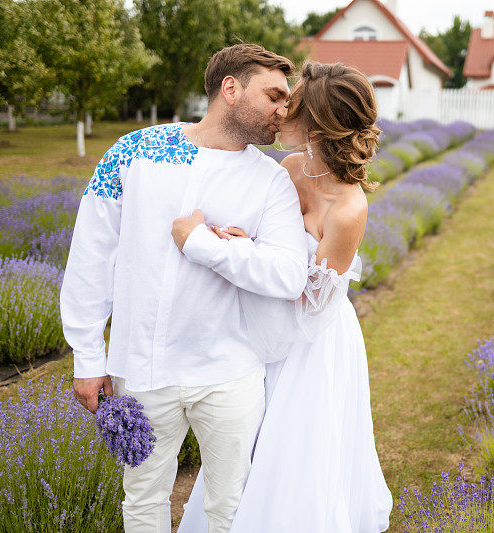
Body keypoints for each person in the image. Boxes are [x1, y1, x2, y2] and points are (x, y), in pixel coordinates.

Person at [61, 43, 309, 533]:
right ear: (230, 89)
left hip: (230, 371)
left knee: (230, 505)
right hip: (141, 368)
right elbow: (91, 256)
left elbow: (288, 274)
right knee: (143, 498)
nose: (285, 110)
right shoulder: (133, 153)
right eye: (275, 95)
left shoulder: (272, 181)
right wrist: (87, 358)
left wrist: (206, 244)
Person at [177, 62, 393, 532]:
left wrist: (247, 259)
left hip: (312, 339)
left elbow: (313, 299)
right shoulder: (291, 167)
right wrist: (241, 241)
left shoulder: (349, 208)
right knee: (243, 433)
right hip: (265, 319)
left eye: (290, 106)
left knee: (297, 442)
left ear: (317, 125)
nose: (280, 114)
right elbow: (268, 238)